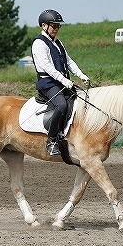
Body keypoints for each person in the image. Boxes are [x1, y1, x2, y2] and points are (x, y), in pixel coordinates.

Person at [31, 9, 90, 155]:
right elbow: (47, 67)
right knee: (62, 106)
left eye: (58, 26)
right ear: (44, 26)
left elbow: (68, 61)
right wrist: (64, 80)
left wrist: (81, 75)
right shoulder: (39, 43)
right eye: (54, 26)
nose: (57, 29)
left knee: (80, 102)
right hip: (48, 84)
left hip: (62, 83)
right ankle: (51, 141)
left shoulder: (57, 42)